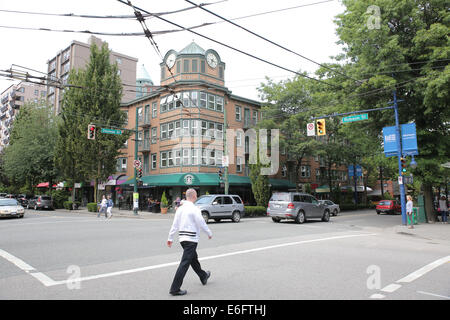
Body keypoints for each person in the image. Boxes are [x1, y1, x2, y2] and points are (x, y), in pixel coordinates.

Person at [167, 188, 212, 296]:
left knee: (193, 259)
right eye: (196, 195)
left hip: (182, 239)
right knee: (185, 263)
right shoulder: (194, 209)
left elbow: (175, 225)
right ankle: (175, 288)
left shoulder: (180, 209)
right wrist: (209, 233)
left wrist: (170, 238)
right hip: (191, 239)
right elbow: (201, 222)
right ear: (194, 196)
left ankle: (203, 276)